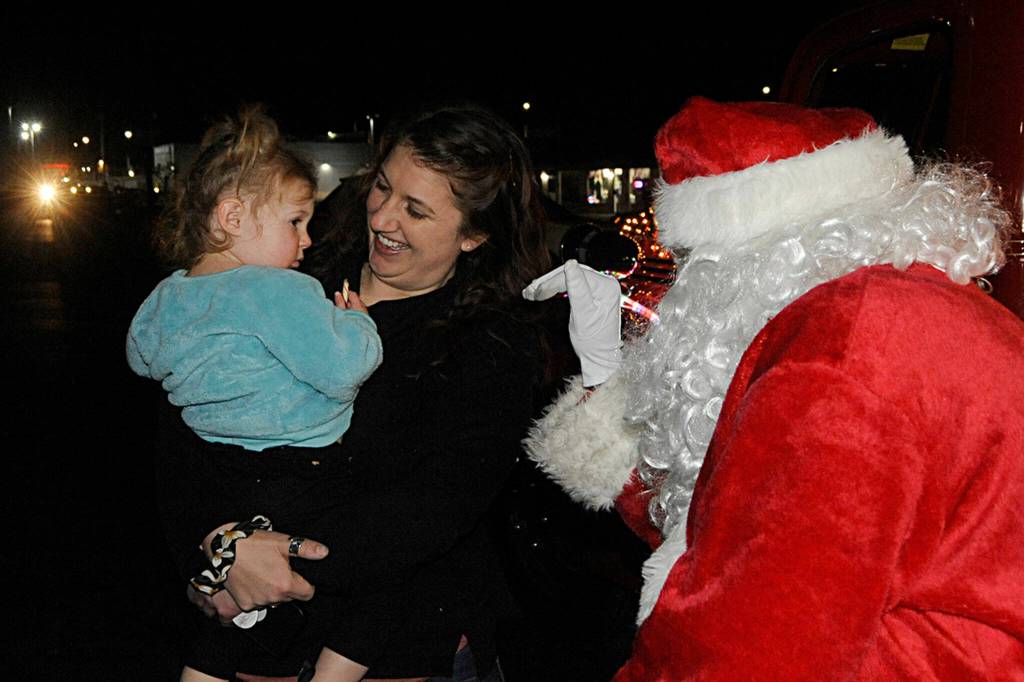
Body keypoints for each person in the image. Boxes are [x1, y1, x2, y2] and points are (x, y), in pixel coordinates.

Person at [524, 97, 1024, 679]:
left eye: (692, 262)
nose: (683, 289)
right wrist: (608, 387)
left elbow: (747, 646)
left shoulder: (842, 347)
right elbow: (737, 514)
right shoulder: (909, 303)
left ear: (737, 260)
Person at [160, 104, 552, 681]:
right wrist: (217, 548)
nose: (383, 218)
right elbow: (184, 425)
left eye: (416, 210)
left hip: (402, 649)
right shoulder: (290, 274)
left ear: (474, 235)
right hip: (259, 641)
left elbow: (436, 506)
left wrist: (275, 559)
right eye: (383, 188)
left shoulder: (493, 342)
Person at [128, 107, 388, 681]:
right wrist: (359, 323)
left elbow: (142, 359)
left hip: (219, 469)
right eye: (296, 221)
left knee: (238, 626)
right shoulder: (279, 289)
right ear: (232, 218)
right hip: (306, 463)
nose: (307, 239)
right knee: (376, 598)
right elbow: (344, 369)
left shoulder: (167, 296)